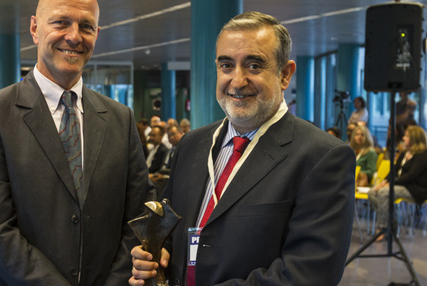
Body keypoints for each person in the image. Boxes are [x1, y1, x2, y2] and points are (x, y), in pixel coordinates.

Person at [130, 11, 355, 285]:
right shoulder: (192, 144)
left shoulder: (322, 157)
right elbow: (169, 228)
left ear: (285, 75)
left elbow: (307, 275)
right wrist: (155, 253)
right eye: (226, 65)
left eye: (254, 66)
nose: (237, 81)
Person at [0, 0, 154, 284]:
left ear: (97, 34)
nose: (74, 36)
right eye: (61, 22)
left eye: (86, 26)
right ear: (35, 28)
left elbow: (138, 213)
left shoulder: (119, 117)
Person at [369, 125, 427, 240]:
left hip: (415, 189)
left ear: (414, 139)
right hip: (400, 185)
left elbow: (411, 176)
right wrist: (384, 181)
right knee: (372, 192)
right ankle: (391, 222)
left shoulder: (423, 155)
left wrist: (391, 184)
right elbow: (393, 170)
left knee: (384, 192)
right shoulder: (405, 153)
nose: (403, 138)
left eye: (406, 136)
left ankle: (382, 229)